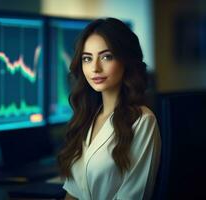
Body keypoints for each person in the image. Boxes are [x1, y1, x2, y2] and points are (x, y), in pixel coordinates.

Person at [57, 18, 162, 200]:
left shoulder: (143, 121)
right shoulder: (87, 117)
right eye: (87, 59)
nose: (95, 68)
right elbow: (73, 193)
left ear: (125, 61)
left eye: (106, 57)